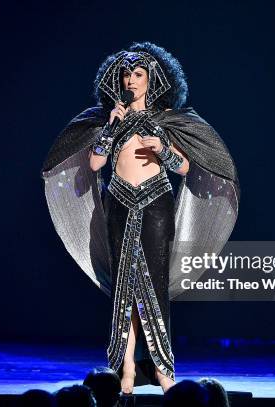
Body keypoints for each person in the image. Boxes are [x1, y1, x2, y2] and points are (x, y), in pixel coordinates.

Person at [42, 42, 240, 394]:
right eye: (126, 75)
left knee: (153, 287)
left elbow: (185, 167)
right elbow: (94, 165)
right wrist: (110, 129)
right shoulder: (110, 121)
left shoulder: (165, 121)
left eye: (138, 75)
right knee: (125, 289)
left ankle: (164, 368)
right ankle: (127, 369)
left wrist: (162, 149)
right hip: (118, 202)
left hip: (156, 204)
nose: (131, 80)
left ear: (153, 80)